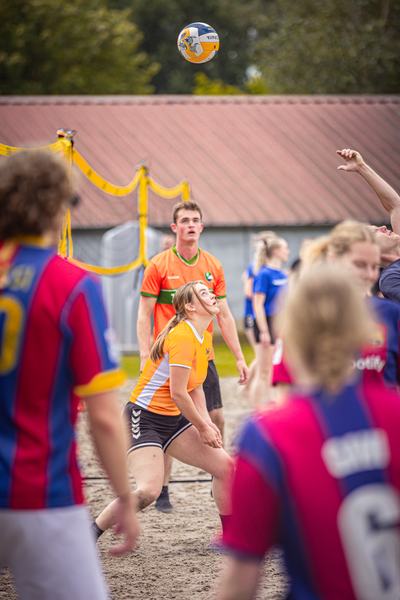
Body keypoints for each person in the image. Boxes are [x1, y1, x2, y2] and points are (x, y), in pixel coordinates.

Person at [0, 150, 139, 600]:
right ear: (57, 207)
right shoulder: (73, 285)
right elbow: (102, 417)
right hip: (38, 489)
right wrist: (125, 498)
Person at [218, 266, 400, 600]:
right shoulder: (393, 413)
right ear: (363, 329)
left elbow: (240, 581)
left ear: (292, 330)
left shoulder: (268, 435)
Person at [92, 281, 234, 539]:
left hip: (173, 419)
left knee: (227, 468)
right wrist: (202, 427)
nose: (212, 295)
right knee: (148, 492)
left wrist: (206, 422)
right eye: (204, 293)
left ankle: (232, 538)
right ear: (190, 306)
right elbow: (177, 392)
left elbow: (195, 388)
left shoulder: (202, 335)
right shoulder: (182, 336)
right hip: (143, 418)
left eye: (209, 291)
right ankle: (90, 533)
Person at [137, 200, 248, 512]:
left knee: (217, 418)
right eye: (183, 220)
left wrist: (239, 356)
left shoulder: (212, 265)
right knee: (171, 419)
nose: (189, 224)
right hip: (171, 355)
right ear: (174, 228)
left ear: (201, 226)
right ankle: (163, 490)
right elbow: (144, 313)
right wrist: (146, 352)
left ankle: (220, 477)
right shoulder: (158, 265)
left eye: (195, 220)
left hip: (203, 355)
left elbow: (224, 315)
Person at [272, 221, 400, 392]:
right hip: (324, 418)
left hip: (382, 418)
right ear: (333, 260)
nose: (369, 275)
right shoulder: (304, 317)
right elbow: (286, 394)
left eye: (373, 266)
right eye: (360, 265)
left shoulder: (390, 313)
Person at [337, 148, 400, 302]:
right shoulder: (390, 278)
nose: (384, 227)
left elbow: (395, 206)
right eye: (376, 231)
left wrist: (361, 168)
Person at [249, 236, 290, 405]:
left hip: (280, 323)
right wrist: (264, 331)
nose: (288, 251)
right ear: (276, 252)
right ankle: (257, 411)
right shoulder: (264, 274)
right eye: (285, 248)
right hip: (265, 323)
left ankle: (272, 403)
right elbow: (257, 304)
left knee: (276, 370)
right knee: (264, 371)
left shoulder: (282, 273)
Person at [242, 232, 277, 400]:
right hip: (253, 315)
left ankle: (250, 388)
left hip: (267, 316)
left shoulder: (270, 268)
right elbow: (249, 291)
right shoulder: (256, 267)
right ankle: (249, 388)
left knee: (265, 359)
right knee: (262, 357)